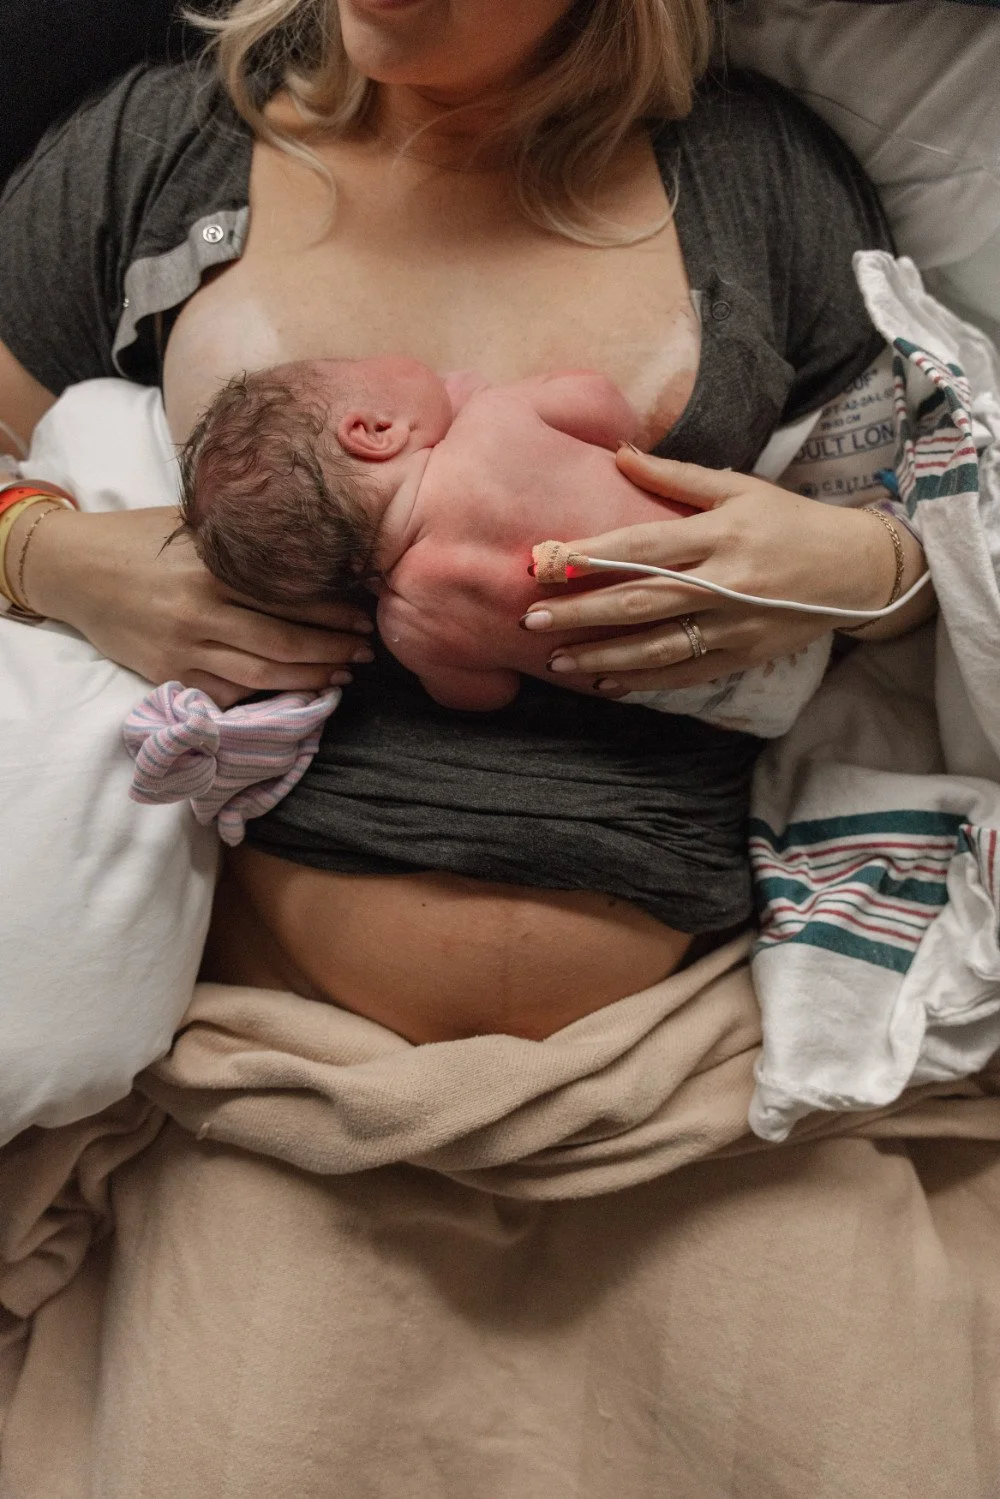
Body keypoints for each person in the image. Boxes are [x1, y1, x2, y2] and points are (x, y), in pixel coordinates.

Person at [0, 1, 956, 1487]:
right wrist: (53, 559)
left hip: (706, 1084)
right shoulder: (159, 149)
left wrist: (866, 572)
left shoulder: (759, 180)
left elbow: (946, 551)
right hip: (264, 1088)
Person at [178, 352, 843, 727]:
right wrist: (503, 397)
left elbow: (483, 695)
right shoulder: (492, 425)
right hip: (780, 577)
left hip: (743, 698)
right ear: (375, 430)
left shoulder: (410, 622)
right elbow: (606, 405)